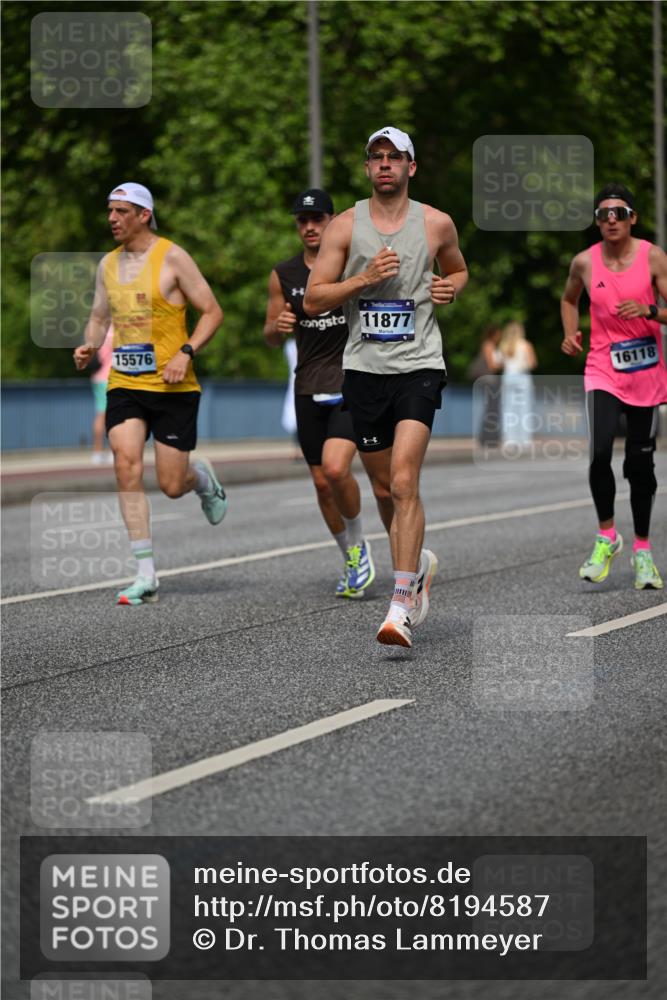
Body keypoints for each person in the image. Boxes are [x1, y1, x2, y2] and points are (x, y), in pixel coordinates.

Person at [304, 127, 469, 647]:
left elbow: (459, 270)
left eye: (394, 157)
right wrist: (363, 278)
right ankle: (415, 565)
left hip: (420, 365)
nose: (384, 165)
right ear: (367, 167)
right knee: (381, 489)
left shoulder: (437, 223)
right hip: (365, 370)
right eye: (375, 157)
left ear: (411, 167)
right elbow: (313, 300)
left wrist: (450, 287)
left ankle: (399, 606)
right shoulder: (346, 227)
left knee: (402, 481)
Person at [74, 182, 226, 605]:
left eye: (121, 211)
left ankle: (202, 481)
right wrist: (89, 344)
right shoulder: (107, 264)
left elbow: (213, 311)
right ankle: (145, 574)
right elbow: (99, 316)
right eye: (110, 211)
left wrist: (186, 351)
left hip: (174, 385)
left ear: (143, 214)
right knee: (125, 465)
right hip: (125, 382)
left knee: (172, 484)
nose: (112, 219)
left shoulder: (173, 257)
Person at [264, 189, 374, 597]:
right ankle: (351, 554)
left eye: (318, 219)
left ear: (331, 221)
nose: (310, 227)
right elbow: (270, 336)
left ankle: (360, 539)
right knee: (321, 484)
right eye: (302, 221)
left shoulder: (349, 266)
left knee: (335, 468)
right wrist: (276, 329)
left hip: (350, 381)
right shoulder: (284, 274)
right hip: (307, 385)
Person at [561, 182, 667, 589]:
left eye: (618, 213)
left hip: (646, 374)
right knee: (600, 449)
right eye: (603, 214)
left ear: (632, 218)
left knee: (640, 466)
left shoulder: (652, 257)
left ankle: (643, 550)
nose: (610, 220)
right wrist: (570, 332)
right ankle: (607, 536)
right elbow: (569, 299)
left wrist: (650, 309)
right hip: (603, 367)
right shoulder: (584, 263)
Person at [498, 320, 537, 451]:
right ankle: (525, 440)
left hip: (508, 377)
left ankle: (509, 439)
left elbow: (499, 363)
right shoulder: (526, 345)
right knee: (524, 409)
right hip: (522, 377)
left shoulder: (503, 346)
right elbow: (532, 363)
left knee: (508, 409)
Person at [469, 325, 504, 448]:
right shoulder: (488, 345)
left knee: (492, 409)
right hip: (489, 382)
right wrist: (504, 363)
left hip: (492, 381)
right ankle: (487, 438)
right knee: (491, 409)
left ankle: (490, 437)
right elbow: (492, 365)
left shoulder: (492, 346)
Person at [90, 326, 114, 464]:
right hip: (110, 377)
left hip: (97, 377)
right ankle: (112, 451)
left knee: (100, 414)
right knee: (112, 416)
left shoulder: (97, 330)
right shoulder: (116, 330)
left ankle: (97, 452)